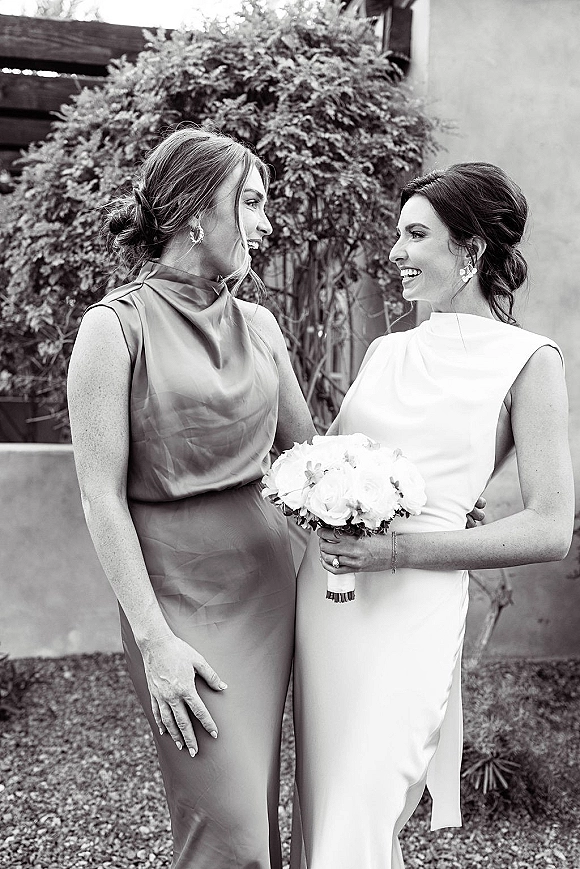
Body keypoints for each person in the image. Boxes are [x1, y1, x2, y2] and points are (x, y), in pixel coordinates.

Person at [290, 162, 574, 869]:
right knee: (327, 804)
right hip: (330, 600)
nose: (395, 251)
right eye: (398, 234)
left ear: (470, 249)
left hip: (413, 607)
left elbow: (549, 526)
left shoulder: (530, 362)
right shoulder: (386, 351)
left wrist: (401, 551)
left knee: (366, 796)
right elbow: (330, 461)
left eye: (416, 235)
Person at [67, 127, 317, 869]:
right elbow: (100, 498)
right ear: (196, 213)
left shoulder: (262, 326)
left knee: (259, 809)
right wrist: (155, 642)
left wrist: (418, 496)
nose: (266, 222)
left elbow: (311, 457)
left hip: (270, 590)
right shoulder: (112, 329)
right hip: (179, 603)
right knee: (229, 830)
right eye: (252, 202)